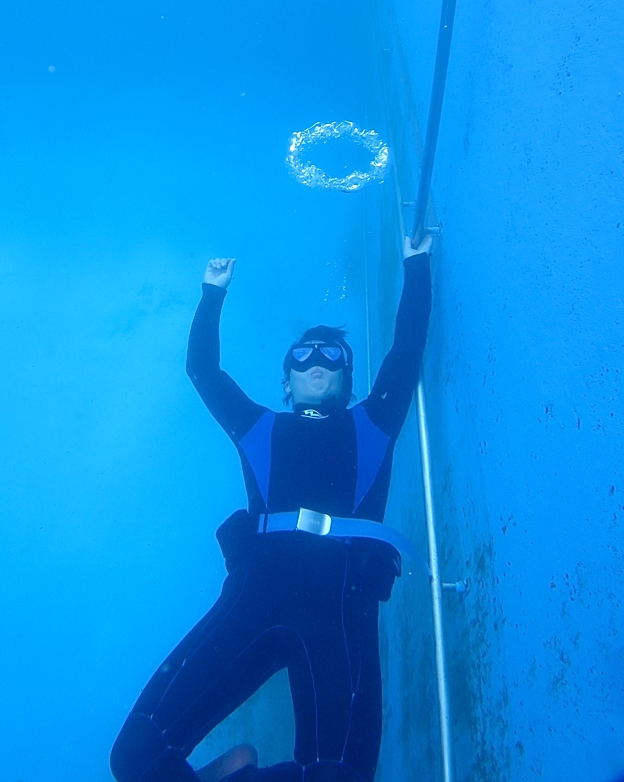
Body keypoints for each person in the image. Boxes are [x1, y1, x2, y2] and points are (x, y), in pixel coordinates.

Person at [110, 234, 433, 782]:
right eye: (302, 355)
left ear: (348, 381)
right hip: (254, 600)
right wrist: (212, 292)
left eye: (332, 356)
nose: (316, 361)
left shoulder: (373, 425)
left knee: (344, 777)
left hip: (339, 612)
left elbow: (405, 353)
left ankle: (243, 771)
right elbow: (204, 372)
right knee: (136, 755)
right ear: (285, 383)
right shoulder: (260, 428)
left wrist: (417, 264)